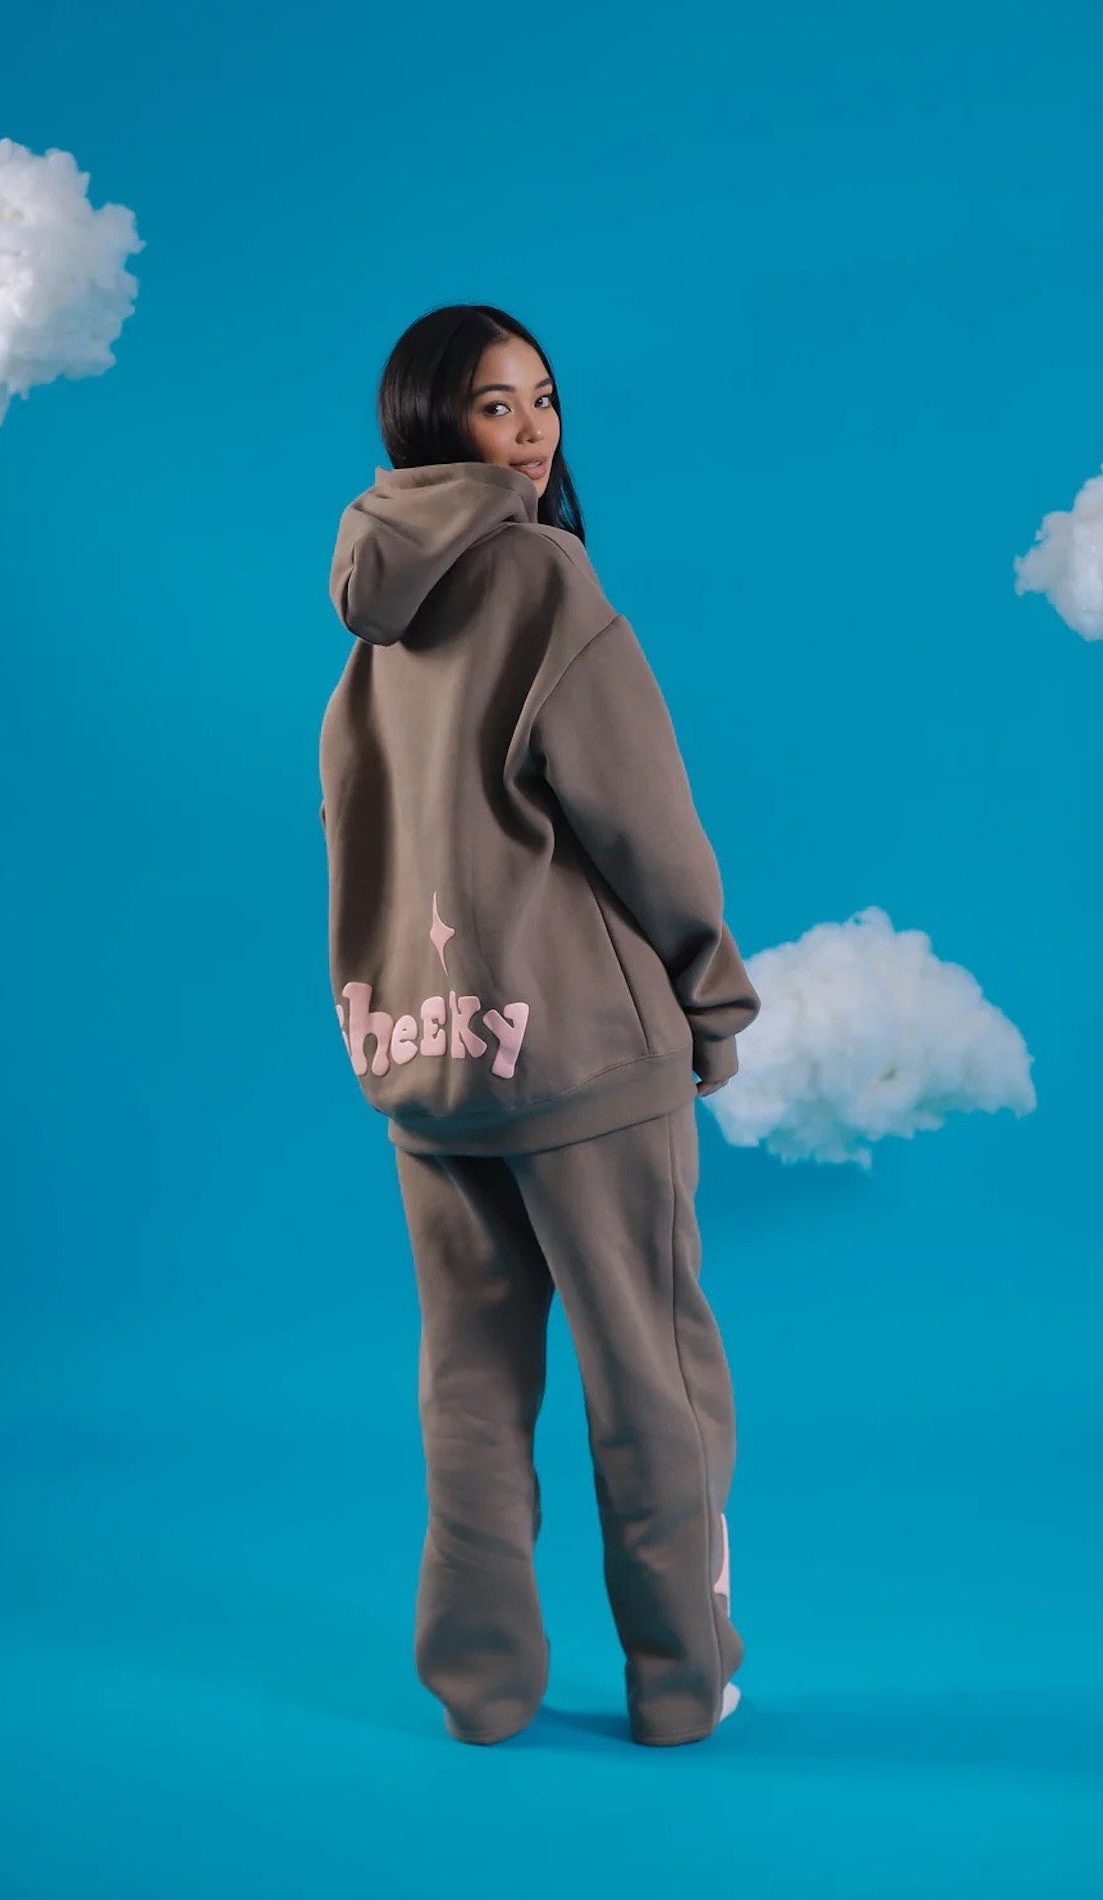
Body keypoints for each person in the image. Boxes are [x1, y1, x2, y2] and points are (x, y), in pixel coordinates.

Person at [319, 304, 761, 1747]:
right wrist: (709, 990)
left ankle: (483, 1687)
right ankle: (680, 1686)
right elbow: (645, 822)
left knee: (468, 1385)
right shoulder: (543, 577)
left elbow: (357, 831)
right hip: (581, 1060)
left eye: (544, 400)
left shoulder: (374, 613)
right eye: (496, 405)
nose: (532, 433)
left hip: (427, 1063)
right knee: (651, 1380)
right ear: (431, 418)